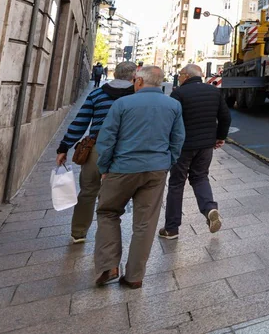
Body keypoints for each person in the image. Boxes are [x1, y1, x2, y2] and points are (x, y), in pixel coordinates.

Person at [94, 65, 185, 289]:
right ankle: (134, 276)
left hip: (122, 168)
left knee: (108, 212)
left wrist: (104, 167)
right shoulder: (173, 105)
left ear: (139, 82)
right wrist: (168, 162)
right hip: (156, 169)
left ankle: (109, 265)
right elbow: (178, 138)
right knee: (145, 223)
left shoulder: (123, 104)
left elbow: (107, 139)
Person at [56, 61, 137, 244]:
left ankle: (78, 232)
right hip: (124, 151)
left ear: (114, 74)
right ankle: (106, 234)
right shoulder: (136, 96)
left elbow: (80, 122)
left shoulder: (97, 93)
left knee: (88, 191)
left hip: (96, 148)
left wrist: (64, 147)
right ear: (134, 76)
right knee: (113, 195)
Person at [159, 64, 231, 239]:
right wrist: (220, 137)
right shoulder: (214, 92)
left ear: (185, 76)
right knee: (200, 177)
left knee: (176, 184)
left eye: (180, 74)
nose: (180, 77)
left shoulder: (179, 94)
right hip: (206, 146)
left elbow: (170, 120)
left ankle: (171, 228)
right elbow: (225, 117)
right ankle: (210, 209)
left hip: (183, 146)